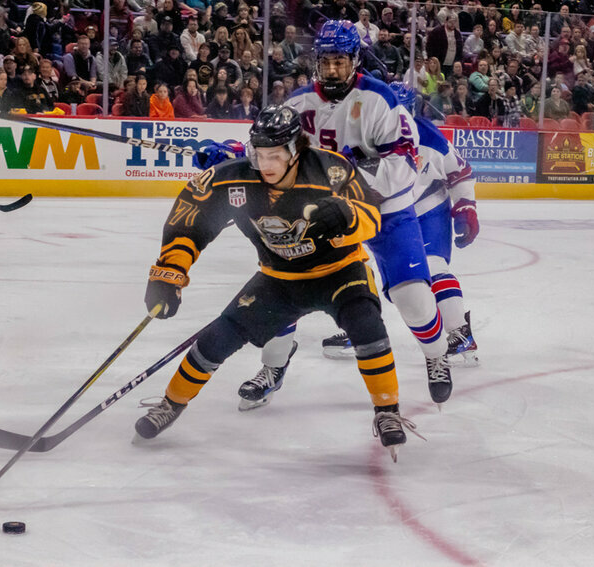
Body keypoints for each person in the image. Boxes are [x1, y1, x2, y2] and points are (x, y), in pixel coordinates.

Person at [134, 105, 418, 460]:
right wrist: (168, 274)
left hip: (341, 272)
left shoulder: (330, 169)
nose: (266, 164)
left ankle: (387, 411)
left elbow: (374, 219)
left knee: (367, 327)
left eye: (275, 155)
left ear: (295, 150)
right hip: (279, 279)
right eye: (259, 154)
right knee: (216, 340)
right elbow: (188, 223)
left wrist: (348, 214)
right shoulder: (233, 179)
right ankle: (170, 404)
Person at [237, 20, 454, 409]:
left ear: (355, 60)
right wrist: (232, 157)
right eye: (326, 62)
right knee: (281, 290)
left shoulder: (381, 99)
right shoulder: (297, 104)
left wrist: (348, 175)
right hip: (319, 215)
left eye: (340, 61)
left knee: (415, 298)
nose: (332, 70)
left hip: (385, 211)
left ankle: (436, 355)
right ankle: (273, 366)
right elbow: (269, 152)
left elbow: (404, 163)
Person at [389, 82, 479, 366]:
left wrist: (465, 205)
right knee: (384, 274)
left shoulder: (431, 139)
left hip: (429, 208)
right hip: (390, 213)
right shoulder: (369, 136)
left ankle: (459, 332)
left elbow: (460, 172)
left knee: (432, 264)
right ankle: (360, 328)